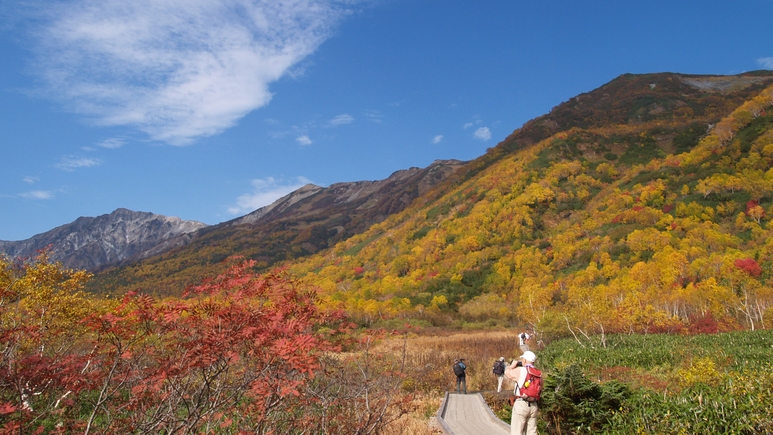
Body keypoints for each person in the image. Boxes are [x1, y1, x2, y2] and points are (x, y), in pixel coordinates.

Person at [508, 351, 539, 435]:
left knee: (517, 431)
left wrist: (511, 366)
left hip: (521, 403)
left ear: (524, 360)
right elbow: (540, 388)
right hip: (533, 405)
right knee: (532, 432)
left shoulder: (520, 370)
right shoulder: (538, 373)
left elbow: (507, 373)